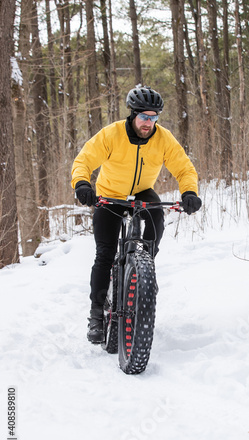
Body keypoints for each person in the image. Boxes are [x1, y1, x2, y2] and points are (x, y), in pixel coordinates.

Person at [71, 85, 202, 343]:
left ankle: (144, 270)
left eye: (154, 117)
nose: (149, 123)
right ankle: (96, 314)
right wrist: (83, 184)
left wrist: (189, 192)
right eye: (144, 116)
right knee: (104, 254)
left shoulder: (163, 138)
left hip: (142, 192)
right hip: (110, 195)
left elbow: (184, 168)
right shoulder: (112, 134)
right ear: (132, 114)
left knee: (156, 221)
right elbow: (83, 160)